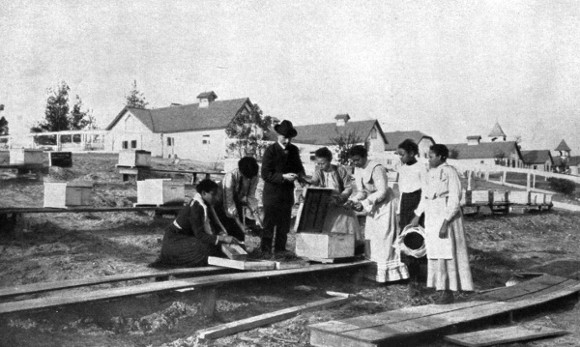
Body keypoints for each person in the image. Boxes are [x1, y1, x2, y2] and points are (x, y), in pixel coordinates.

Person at [410, 144, 473, 304]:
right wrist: (417, 215)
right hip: (432, 215)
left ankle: (449, 291)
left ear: (441, 157)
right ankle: (441, 288)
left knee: (448, 252)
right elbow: (425, 195)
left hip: (446, 216)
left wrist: (446, 222)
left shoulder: (450, 172)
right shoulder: (430, 173)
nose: (428, 159)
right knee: (436, 253)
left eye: (431, 156)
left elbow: (454, 198)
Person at [346, 145, 407, 283]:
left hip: (385, 206)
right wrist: (354, 200)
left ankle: (390, 276)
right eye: (353, 161)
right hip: (373, 206)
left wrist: (365, 202)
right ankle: (373, 272)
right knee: (372, 237)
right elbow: (361, 191)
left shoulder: (377, 168)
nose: (355, 163)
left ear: (364, 157)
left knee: (384, 238)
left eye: (357, 160)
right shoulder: (358, 169)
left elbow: (382, 191)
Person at [150, 179, 240, 268]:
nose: (216, 198)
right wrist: (223, 238)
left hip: (186, 238)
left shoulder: (206, 204)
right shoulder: (197, 207)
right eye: (214, 194)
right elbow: (200, 235)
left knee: (213, 246)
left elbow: (213, 224)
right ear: (204, 193)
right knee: (206, 249)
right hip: (174, 241)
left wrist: (222, 235)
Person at [261, 120, 305, 253]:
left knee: (284, 225)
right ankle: (265, 251)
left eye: (289, 138)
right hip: (272, 195)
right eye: (284, 137)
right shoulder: (270, 151)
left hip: (287, 194)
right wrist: (283, 177)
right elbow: (265, 174)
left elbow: (299, 169)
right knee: (269, 224)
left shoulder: (293, 150)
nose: (287, 140)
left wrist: (300, 177)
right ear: (277, 135)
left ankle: (280, 250)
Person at [308, 147, 362, 241]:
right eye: (318, 163)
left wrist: (340, 198)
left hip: (339, 201)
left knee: (346, 221)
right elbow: (314, 183)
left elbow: (348, 187)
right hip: (325, 203)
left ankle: (345, 244)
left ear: (329, 161)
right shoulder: (318, 171)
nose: (320, 166)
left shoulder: (340, 170)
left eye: (323, 163)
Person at [396, 139, 428, 282]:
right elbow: (401, 191)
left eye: (402, 154)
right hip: (405, 204)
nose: (400, 157)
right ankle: (409, 273)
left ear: (412, 153)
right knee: (405, 237)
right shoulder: (402, 168)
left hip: (417, 203)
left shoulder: (421, 167)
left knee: (417, 238)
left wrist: (418, 214)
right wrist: (398, 212)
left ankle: (420, 276)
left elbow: (425, 192)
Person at [214, 156, 262, 243]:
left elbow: (250, 196)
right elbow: (229, 202)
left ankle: (240, 250)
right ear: (240, 171)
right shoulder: (230, 177)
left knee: (240, 234)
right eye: (246, 177)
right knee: (226, 230)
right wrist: (240, 224)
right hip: (221, 203)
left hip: (236, 202)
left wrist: (257, 217)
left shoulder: (254, 176)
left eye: (250, 178)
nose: (248, 179)